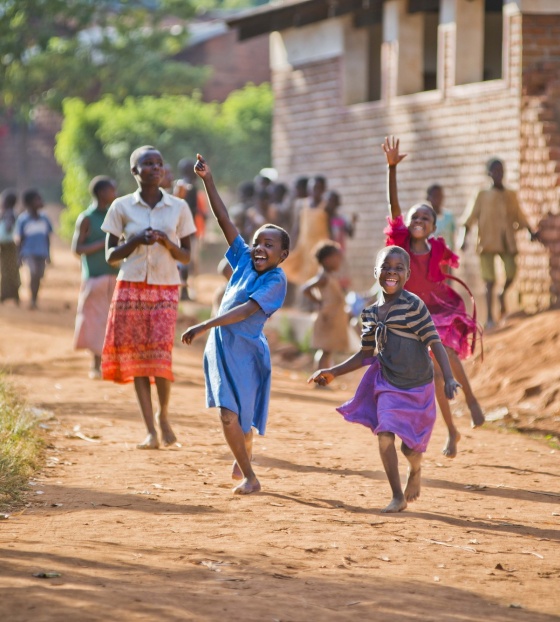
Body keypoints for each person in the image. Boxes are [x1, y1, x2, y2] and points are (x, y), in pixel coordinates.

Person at [309, 246, 460, 513]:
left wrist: (448, 378)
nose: (391, 272)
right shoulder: (368, 314)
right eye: (386, 267)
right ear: (375, 272)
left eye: (398, 268)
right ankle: (396, 495)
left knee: (410, 450)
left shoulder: (414, 306)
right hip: (387, 383)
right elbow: (365, 355)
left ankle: (415, 469)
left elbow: (434, 343)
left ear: (408, 273)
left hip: (417, 385)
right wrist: (333, 372)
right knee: (385, 435)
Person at [182, 154, 289, 495]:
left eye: (269, 245)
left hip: (246, 352)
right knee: (227, 414)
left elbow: (244, 311)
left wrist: (204, 324)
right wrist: (207, 180)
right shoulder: (243, 258)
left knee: (243, 416)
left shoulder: (276, 280)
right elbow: (222, 217)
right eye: (258, 241)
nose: (260, 248)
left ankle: (246, 453)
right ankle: (250, 475)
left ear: (282, 256)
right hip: (221, 349)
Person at [382, 136, 484, 459]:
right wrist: (392, 169)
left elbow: (437, 280)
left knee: (447, 356)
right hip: (409, 315)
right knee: (435, 377)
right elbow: (393, 207)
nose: (418, 222)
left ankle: (472, 400)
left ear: (433, 226)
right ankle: (453, 432)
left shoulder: (439, 248)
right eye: (414, 217)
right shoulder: (400, 243)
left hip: (437, 310)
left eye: (425, 218)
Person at [101, 146, 196, 449]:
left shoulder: (179, 207)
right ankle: (150, 430)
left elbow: (187, 256)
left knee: (160, 356)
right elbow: (110, 256)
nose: (155, 168)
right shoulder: (121, 206)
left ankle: (163, 414)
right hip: (130, 286)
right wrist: (136, 241)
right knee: (138, 360)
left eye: (158, 164)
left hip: (165, 287)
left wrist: (167, 241)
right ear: (135, 171)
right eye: (147, 164)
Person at [460, 158, 538, 328]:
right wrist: (463, 238)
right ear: (489, 174)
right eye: (495, 171)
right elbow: (469, 218)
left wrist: (530, 231)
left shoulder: (510, 195)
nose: (499, 174)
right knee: (489, 280)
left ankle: (502, 295)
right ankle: (489, 317)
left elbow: (520, 215)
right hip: (487, 242)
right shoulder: (481, 194)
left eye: (501, 170)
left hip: (507, 241)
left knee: (512, 271)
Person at [72, 176, 119, 379]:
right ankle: (95, 364)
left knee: (113, 321)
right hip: (95, 277)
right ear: (101, 193)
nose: (114, 194)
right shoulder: (87, 218)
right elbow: (77, 248)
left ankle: (111, 363)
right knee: (95, 321)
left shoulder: (114, 216)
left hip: (115, 276)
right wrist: (103, 244)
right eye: (111, 190)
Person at [302, 241, 349, 371]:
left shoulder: (330, 276)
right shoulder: (323, 277)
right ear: (327, 260)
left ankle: (322, 375)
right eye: (337, 258)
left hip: (332, 319)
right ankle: (320, 377)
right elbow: (305, 288)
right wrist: (319, 301)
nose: (340, 261)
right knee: (326, 350)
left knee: (328, 351)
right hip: (326, 319)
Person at [281, 175, 330, 286]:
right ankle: (306, 299)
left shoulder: (326, 206)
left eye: (318, 188)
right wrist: (290, 244)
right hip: (305, 245)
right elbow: (296, 227)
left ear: (323, 189)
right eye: (312, 188)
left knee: (319, 272)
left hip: (321, 245)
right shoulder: (302, 204)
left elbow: (330, 227)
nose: (315, 191)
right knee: (304, 273)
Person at [173, 157, 208, 300]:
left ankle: (182, 291)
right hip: (190, 230)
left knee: (181, 260)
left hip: (176, 229)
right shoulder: (191, 188)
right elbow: (193, 211)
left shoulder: (177, 186)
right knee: (187, 260)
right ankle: (185, 292)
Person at [14, 189, 53, 310]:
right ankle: (32, 299)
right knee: (33, 272)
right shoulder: (23, 220)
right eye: (38, 199)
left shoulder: (44, 219)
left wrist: (49, 255)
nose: (41, 201)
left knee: (39, 275)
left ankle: (34, 298)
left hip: (42, 252)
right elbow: (19, 240)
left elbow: (47, 237)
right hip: (28, 252)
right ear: (29, 203)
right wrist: (18, 256)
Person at [0, 189, 21, 305]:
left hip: (8, 246)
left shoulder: (8, 213)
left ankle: (7, 295)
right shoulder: (9, 213)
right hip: (7, 246)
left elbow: (8, 227)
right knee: (10, 270)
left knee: (7, 270)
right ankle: (11, 294)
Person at [426, 184, 456, 252]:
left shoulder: (449, 217)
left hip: (446, 256)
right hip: (431, 256)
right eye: (434, 196)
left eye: (439, 196)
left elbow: (453, 237)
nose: (437, 198)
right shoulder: (425, 218)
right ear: (428, 198)